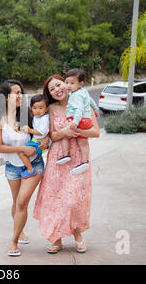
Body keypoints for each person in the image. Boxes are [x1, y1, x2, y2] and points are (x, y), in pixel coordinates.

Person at [34, 74, 100, 254]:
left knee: (74, 199)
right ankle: (57, 238)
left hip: (79, 157)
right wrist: (65, 131)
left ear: (66, 83)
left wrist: (77, 130)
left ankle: (78, 234)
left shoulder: (82, 101)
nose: (57, 90)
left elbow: (96, 132)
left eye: (58, 85)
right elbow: (53, 136)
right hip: (58, 158)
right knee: (56, 199)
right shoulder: (51, 108)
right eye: (52, 89)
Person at [0, 79, 46, 257]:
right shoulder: (0, 120)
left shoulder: (29, 114)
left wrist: (44, 142)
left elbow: (44, 133)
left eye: (21, 92)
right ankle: (19, 231)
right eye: (16, 93)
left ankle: (13, 240)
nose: (20, 95)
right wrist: (21, 148)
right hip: (12, 166)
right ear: (6, 97)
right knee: (16, 203)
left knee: (21, 202)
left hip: (33, 165)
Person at [57, 68, 100, 175]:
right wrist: (96, 110)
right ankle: (84, 161)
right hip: (87, 120)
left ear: (80, 84)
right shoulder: (84, 92)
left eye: (72, 83)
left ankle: (66, 154)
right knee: (83, 142)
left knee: (65, 133)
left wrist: (75, 122)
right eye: (66, 82)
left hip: (78, 119)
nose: (68, 86)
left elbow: (79, 109)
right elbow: (91, 101)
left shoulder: (75, 95)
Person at [18, 94, 50, 178]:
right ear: (31, 108)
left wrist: (29, 130)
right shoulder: (36, 117)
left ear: (46, 108)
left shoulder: (44, 118)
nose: (37, 110)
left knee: (21, 152)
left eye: (40, 108)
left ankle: (30, 169)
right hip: (35, 141)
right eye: (35, 108)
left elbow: (42, 132)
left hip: (38, 143)